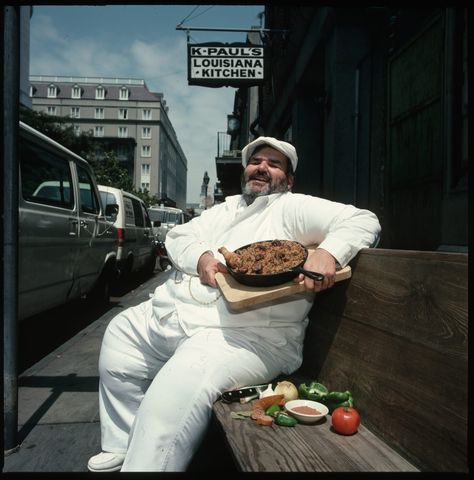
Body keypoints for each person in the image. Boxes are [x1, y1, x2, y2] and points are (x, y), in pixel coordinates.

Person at [87, 136, 381, 472]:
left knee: (168, 400)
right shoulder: (226, 208)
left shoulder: (292, 206)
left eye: (274, 163)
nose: (262, 168)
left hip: (245, 336)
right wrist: (202, 258)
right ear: (245, 170)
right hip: (179, 315)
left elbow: (363, 220)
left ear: (288, 179)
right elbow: (179, 236)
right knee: (120, 333)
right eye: (256, 161)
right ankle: (121, 441)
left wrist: (330, 253)